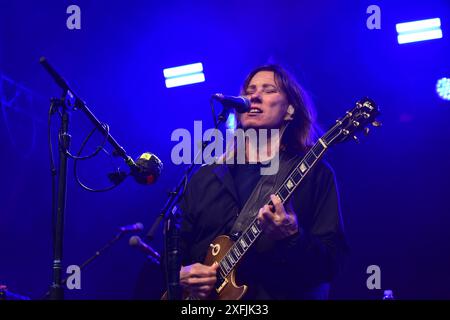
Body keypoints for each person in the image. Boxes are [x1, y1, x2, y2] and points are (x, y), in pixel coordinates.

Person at [177, 64, 347, 300]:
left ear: (290, 110)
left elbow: (331, 264)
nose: (254, 96)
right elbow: (174, 247)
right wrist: (182, 274)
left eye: (268, 90)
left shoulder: (313, 174)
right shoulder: (206, 177)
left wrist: (292, 237)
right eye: (249, 90)